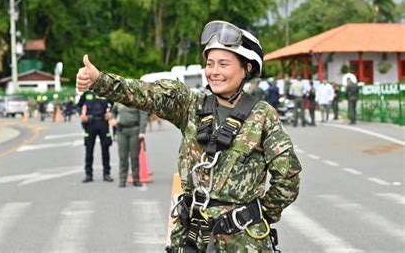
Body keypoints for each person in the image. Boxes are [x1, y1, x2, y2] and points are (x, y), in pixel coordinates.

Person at [76, 20, 301, 252]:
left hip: (241, 242)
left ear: (248, 68)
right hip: (190, 236)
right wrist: (99, 81)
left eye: (224, 64)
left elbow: (288, 176)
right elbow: (145, 93)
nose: (214, 72)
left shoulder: (263, 115)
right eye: (210, 63)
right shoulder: (190, 105)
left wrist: (257, 214)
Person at [109, 103, 148, 188]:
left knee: (134, 157)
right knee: (123, 157)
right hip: (121, 131)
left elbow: (143, 115)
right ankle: (122, 180)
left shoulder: (136, 100)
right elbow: (113, 112)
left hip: (134, 130)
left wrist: (142, 131)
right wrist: (113, 119)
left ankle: (136, 179)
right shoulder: (118, 101)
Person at [78, 90, 113, 183]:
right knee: (89, 150)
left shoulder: (105, 92)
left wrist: (111, 113)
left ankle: (107, 173)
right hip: (90, 124)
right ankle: (88, 174)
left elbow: (114, 105)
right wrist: (82, 115)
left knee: (105, 148)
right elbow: (78, 105)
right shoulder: (87, 93)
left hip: (103, 123)